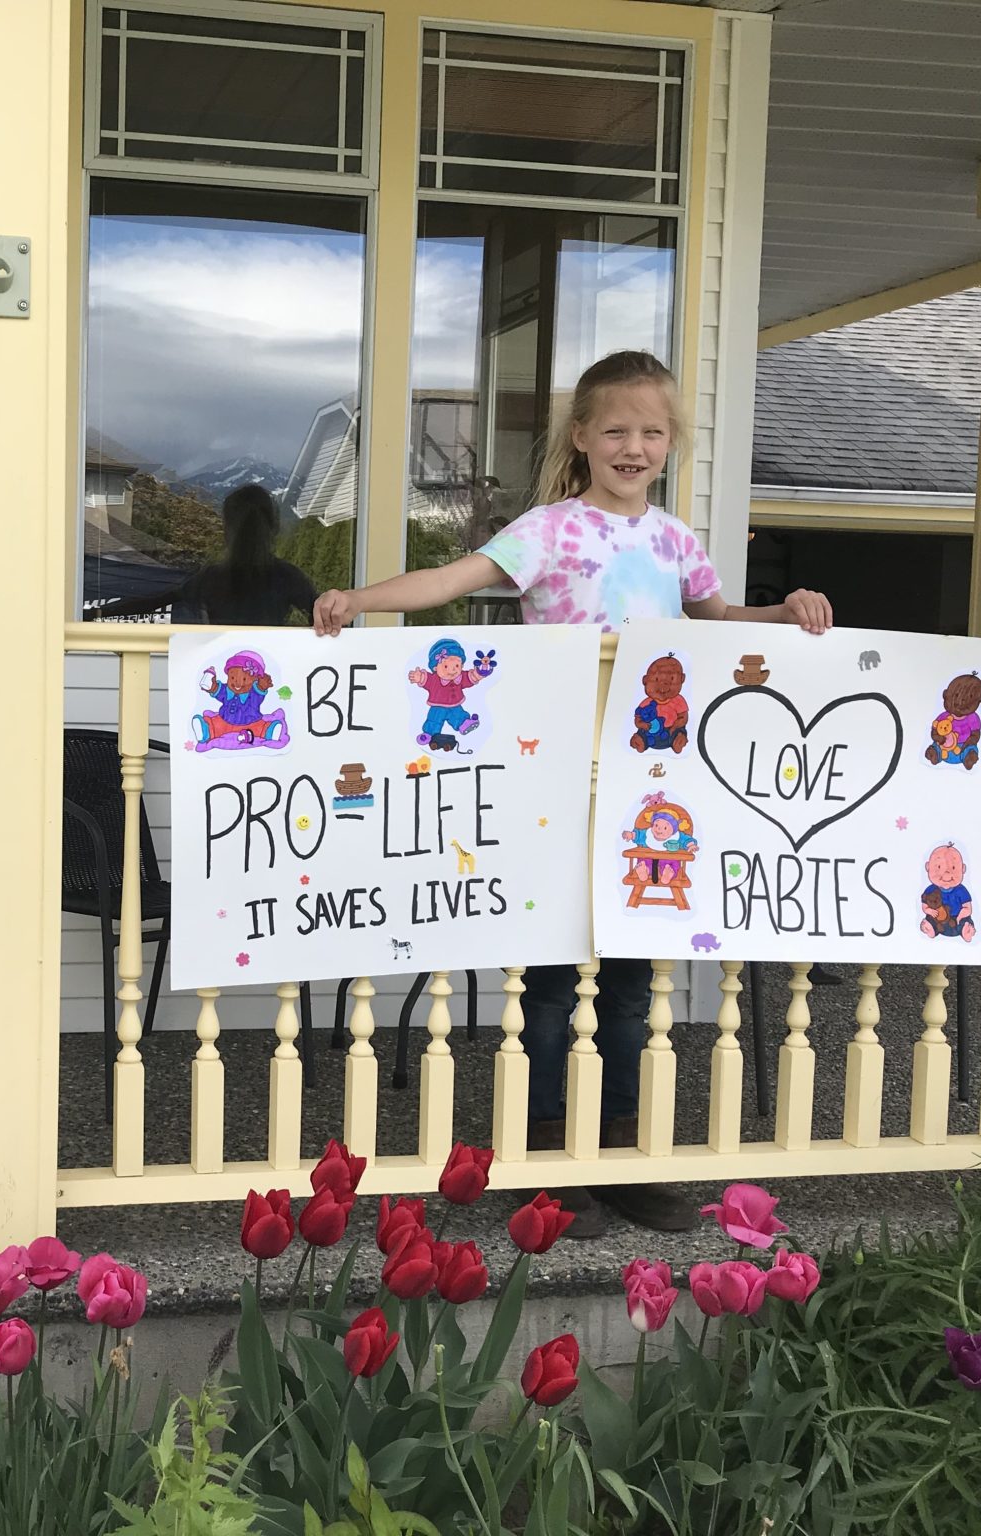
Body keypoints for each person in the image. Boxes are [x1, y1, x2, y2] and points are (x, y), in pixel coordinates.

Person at [311, 349, 834, 1238]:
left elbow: (714, 620)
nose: (635, 447)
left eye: (653, 432)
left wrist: (785, 612)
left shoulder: (674, 540)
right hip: (552, 786)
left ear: (671, 442)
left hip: (651, 791)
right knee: (552, 985)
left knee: (630, 986)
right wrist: (360, 598)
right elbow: (450, 580)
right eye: (617, 430)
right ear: (583, 438)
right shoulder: (550, 531)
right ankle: (546, 1156)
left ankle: (617, 1150)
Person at [92, 483, 318, 625]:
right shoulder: (288, 576)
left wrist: (99, 614)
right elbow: (323, 616)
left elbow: (155, 601)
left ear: (227, 529)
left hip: (219, 671)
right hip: (271, 672)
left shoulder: (212, 577)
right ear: (274, 527)